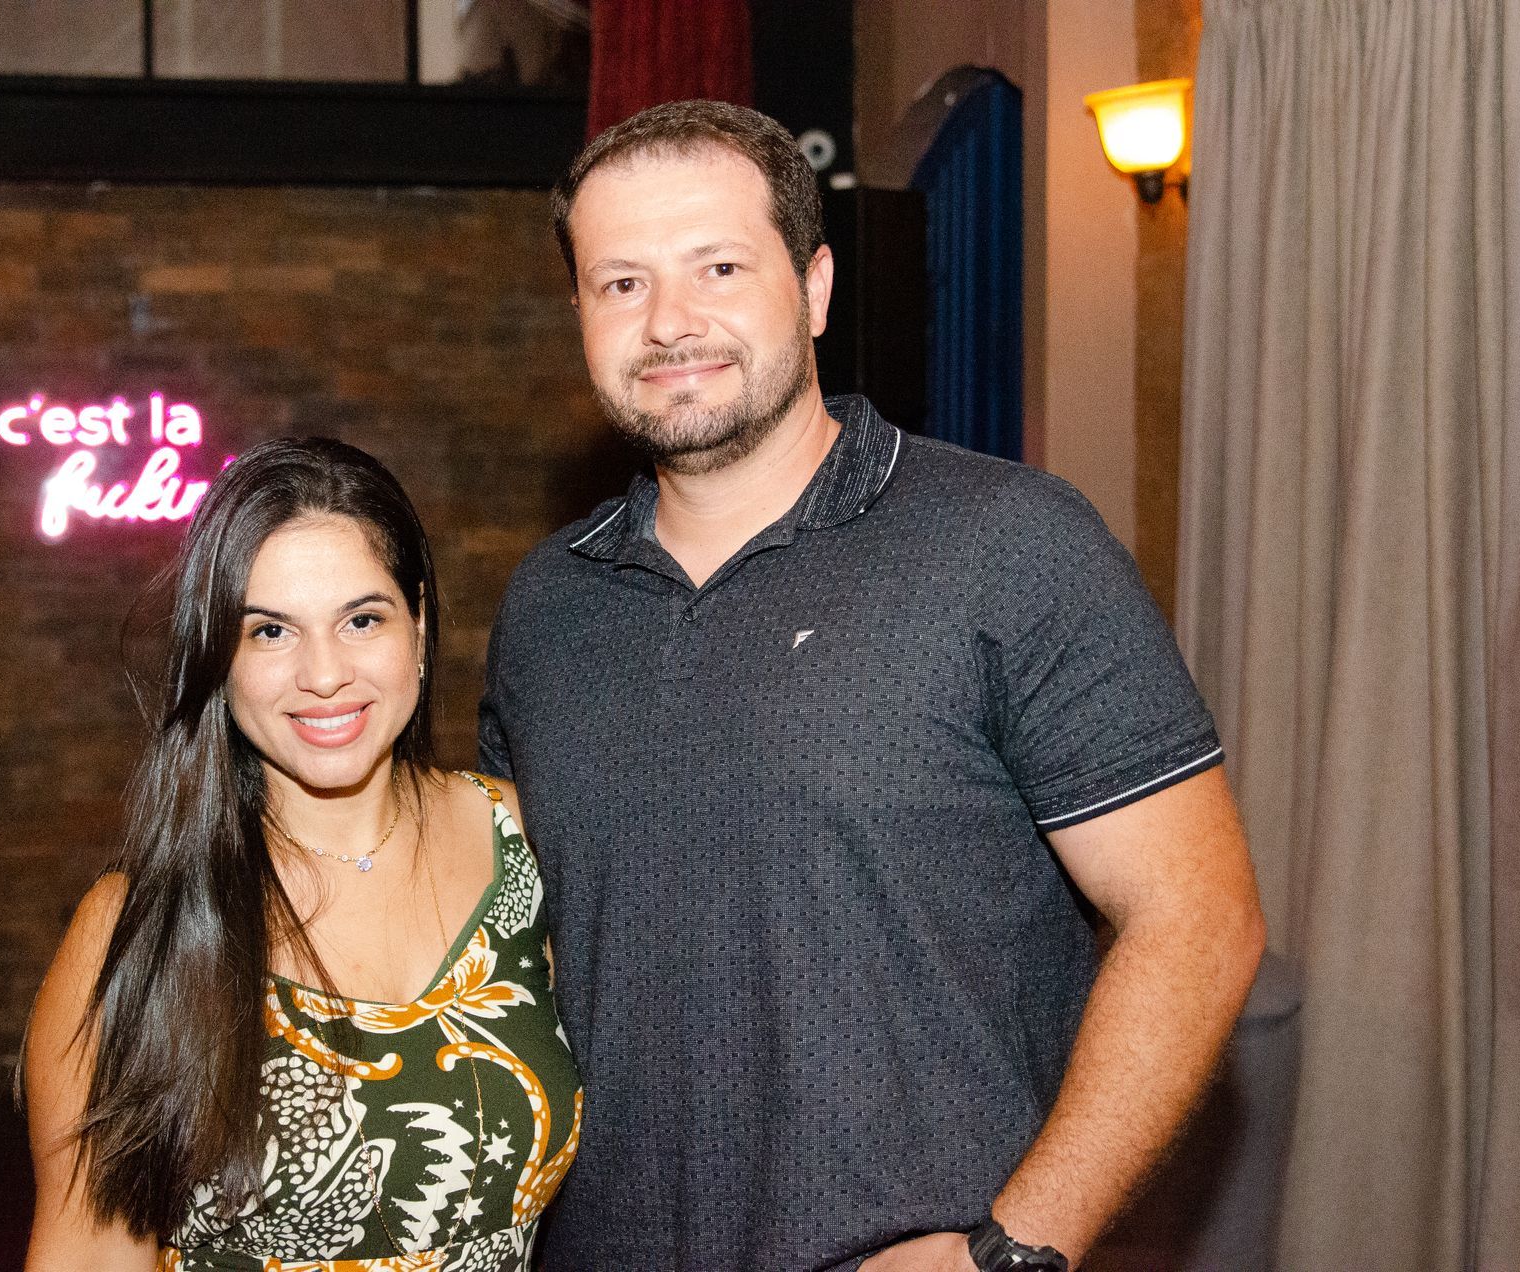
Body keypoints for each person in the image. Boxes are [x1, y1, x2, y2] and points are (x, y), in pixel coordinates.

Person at [478, 100, 1267, 1272]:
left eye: (719, 266)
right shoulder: (547, 607)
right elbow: (510, 953)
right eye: (622, 283)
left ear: (816, 287)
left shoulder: (1011, 544)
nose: (671, 321)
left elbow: (1199, 920)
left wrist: (1011, 1250)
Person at [24, 438, 581, 1271]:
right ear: (220, 660)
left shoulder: (529, 845)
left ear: (419, 629)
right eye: (272, 630)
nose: (324, 674)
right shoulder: (136, 930)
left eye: (362, 619)